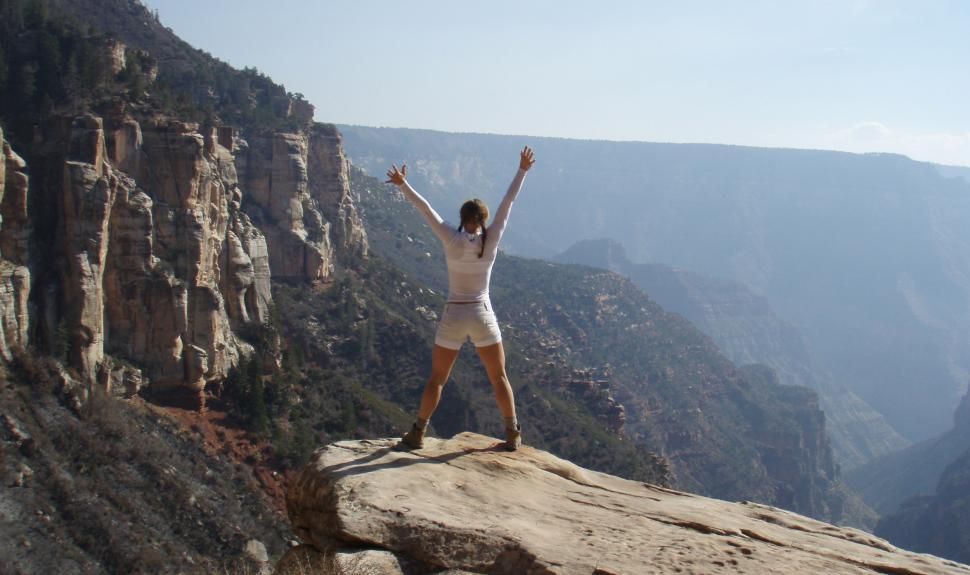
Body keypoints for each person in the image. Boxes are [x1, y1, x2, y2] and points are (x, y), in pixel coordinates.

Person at [385, 146, 536, 451]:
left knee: (437, 379)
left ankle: (417, 432)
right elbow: (509, 202)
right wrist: (522, 170)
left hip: (453, 314)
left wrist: (403, 184)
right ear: (482, 219)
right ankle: (511, 434)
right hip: (482, 314)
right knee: (499, 377)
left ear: (462, 217)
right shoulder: (490, 240)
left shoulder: (450, 239)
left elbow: (425, 209)